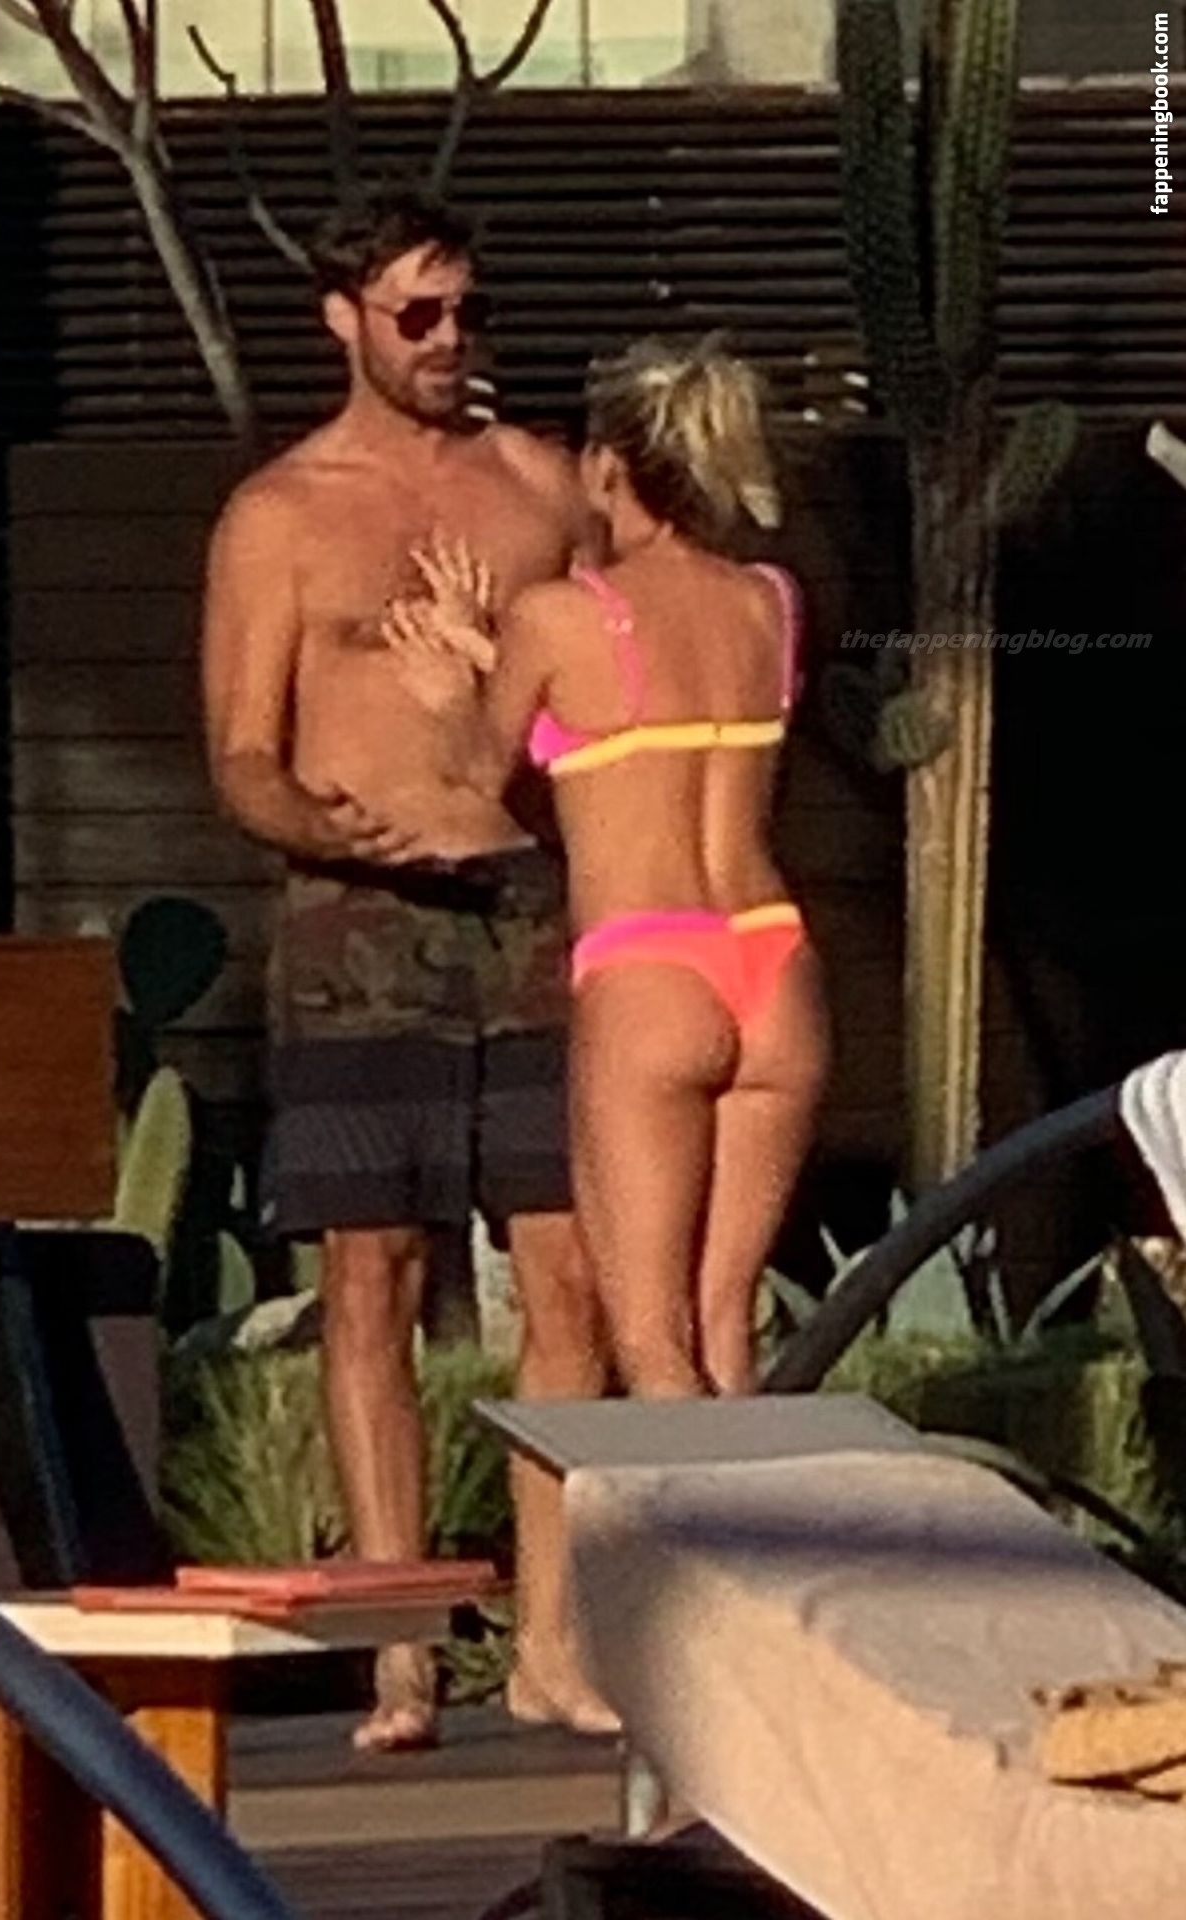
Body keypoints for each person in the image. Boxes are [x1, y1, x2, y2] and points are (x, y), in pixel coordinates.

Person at [201, 186, 614, 1749]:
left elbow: (620, 683)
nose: (449, 341)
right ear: (345, 321)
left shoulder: (540, 487)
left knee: (565, 1266)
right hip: (355, 920)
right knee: (369, 1273)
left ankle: (551, 1638)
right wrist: (330, 826)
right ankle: (399, 1650)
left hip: (529, 904)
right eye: (417, 315)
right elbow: (241, 753)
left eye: (467, 311)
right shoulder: (280, 515)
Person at [386, 337, 831, 1398]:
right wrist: (495, 656)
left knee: (651, 1343)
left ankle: (674, 1515)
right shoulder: (769, 601)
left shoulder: (560, 613)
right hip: (773, 960)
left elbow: (482, 776)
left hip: (648, 964)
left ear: (603, 468)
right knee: (726, 1329)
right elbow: (632, 742)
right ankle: (757, 1509)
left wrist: (451, 690)